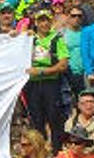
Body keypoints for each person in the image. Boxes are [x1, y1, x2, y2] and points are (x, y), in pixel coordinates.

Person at [25, 10, 70, 149]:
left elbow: (63, 64)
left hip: (51, 83)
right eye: (40, 21)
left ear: (51, 22)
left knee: (54, 119)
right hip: (32, 85)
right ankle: (39, 152)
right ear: (36, 23)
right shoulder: (29, 39)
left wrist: (42, 71)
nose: (44, 24)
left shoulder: (57, 38)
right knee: (36, 120)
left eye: (46, 20)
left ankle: (57, 151)